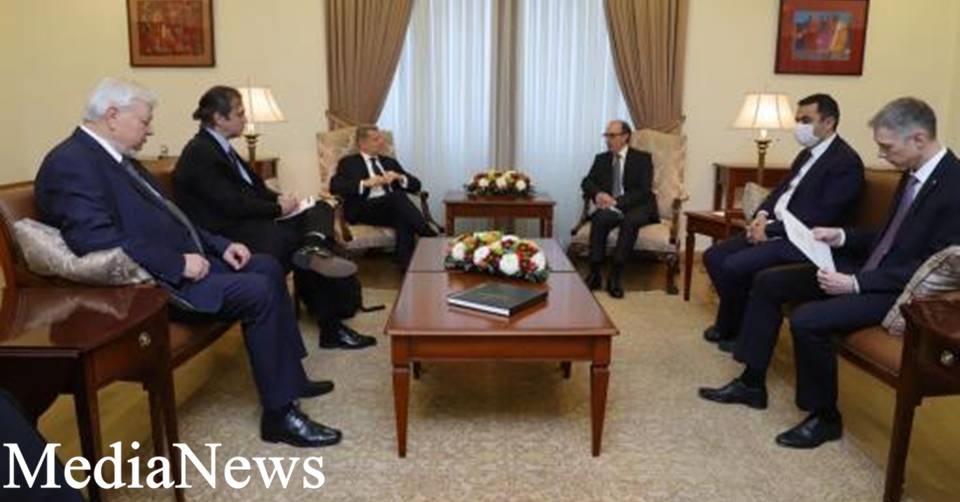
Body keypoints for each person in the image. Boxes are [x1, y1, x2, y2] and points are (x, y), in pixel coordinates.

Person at [34, 78, 341, 448]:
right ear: (112, 116)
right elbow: (94, 240)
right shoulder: (71, 163)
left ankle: (290, 379)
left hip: (184, 263)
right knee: (257, 289)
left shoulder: (117, 159)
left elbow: (175, 217)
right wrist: (177, 263)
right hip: (153, 284)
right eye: (145, 121)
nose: (150, 130)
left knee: (266, 266)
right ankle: (279, 416)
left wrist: (221, 245)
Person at [698, 97, 960, 448]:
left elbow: (928, 266)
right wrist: (841, 236)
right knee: (768, 282)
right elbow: (889, 237)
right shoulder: (913, 172)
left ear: (919, 139)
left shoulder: (954, 185)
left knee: (808, 320)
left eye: (887, 147)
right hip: (869, 270)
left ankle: (825, 418)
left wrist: (855, 283)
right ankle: (751, 383)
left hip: (900, 291)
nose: (881, 155)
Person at [173, 85, 376, 350]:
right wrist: (278, 210)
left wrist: (281, 200)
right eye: (239, 113)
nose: (245, 118)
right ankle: (331, 326)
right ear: (219, 118)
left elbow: (255, 189)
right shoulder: (200, 152)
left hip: (249, 222)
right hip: (228, 234)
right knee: (297, 242)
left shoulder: (222, 148)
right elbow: (232, 204)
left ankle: (313, 247)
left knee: (320, 208)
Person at [703, 94, 864, 351]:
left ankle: (736, 330)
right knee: (713, 256)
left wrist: (769, 230)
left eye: (806, 120)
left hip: (803, 241)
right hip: (775, 229)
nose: (799, 126)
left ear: (829, 122)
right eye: (797, 120)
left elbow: (822, 216)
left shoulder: (845, 162)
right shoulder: (806, 155)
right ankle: (735, 324)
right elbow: (779, 192)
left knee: (735, 266)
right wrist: (761, 216)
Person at [329, 125, 437, 268]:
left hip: (390, 209)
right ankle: (428, 235)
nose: (382, 142)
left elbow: (416, 185)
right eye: (376, 139)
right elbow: (335, 187)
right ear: (362, 143)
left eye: (381, 138)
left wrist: (399, 177)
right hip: (363, 208)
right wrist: (365, 183)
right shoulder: (349, 162)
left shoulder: (389, 162)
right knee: (397, 197)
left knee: (403, 217)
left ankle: (406, 266)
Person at [580, 120, 659, 299]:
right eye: (606, 135)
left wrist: (616, 201)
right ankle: (595, 273)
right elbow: (587, 182)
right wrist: (598, 194)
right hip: (611, 206)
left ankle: (615, 276)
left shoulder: (642, 158)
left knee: (630, 222)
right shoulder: (601, 159)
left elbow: (644, 190)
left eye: (612, 136)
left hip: (638, 205)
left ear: (625, 137)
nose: (608, 140)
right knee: (599, 219)